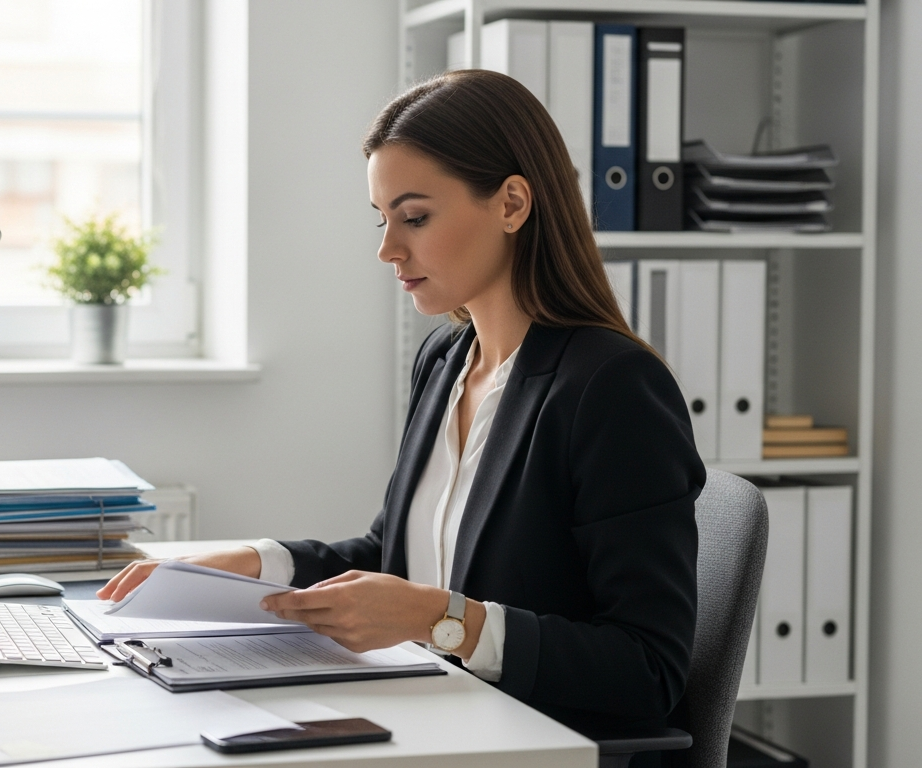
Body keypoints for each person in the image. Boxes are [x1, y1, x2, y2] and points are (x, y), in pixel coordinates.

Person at [99, 69, 704, 738]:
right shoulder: (446, 360)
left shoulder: (612, 387)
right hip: (434, 717)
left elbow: (648, 670)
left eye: (415, 217)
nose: (388, 249)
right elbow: (394, 557)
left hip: (531, 740)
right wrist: (255, 563)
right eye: (383, 219)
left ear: (511, 204)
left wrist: (441, 620)